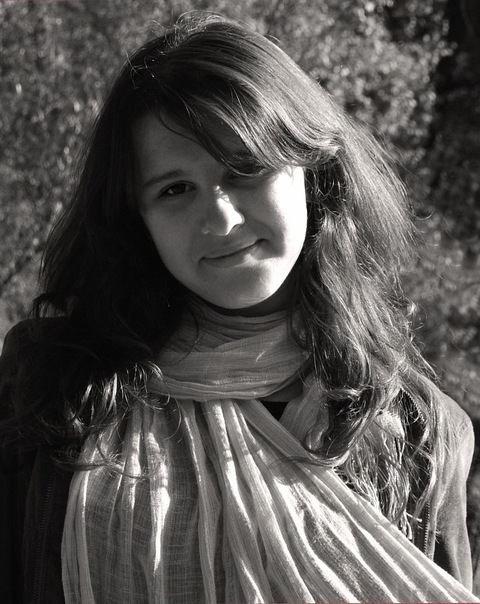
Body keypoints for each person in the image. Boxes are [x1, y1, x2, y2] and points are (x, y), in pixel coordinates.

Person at [0, 13, 477, 604]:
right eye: (175, 189)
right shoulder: (52, 386)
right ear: (136, 219)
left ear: (314, 173)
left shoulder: (421, 429)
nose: (221, 219)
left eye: (246, 169)